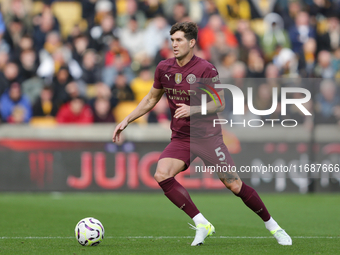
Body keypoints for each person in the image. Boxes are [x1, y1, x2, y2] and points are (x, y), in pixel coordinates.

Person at [112, 21, 292, 246]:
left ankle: (273, 226)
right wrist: (127, 119)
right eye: (172, 40)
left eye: (179, 40)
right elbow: (150, 98)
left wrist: (193, 109)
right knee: (162, 174)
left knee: (234, 185)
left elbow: (220, 102)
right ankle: (201, 223)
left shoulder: (205, 69)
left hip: (208, 137)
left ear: (192, 42)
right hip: (182, 137)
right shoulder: (164, 68)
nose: (174, 45)